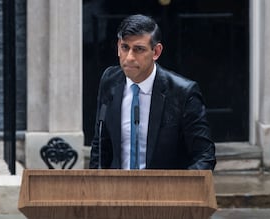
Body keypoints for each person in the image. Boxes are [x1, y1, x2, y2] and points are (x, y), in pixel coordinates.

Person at [89, 14, 216, 170]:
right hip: (117, 190)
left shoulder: (183, 93)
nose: (129, 57)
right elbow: (100, 145)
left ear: (156, 51)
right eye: (125, 47)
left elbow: (205, 156)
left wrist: (177, 190)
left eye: (139, 49)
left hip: (165, 191)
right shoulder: (109, 81)